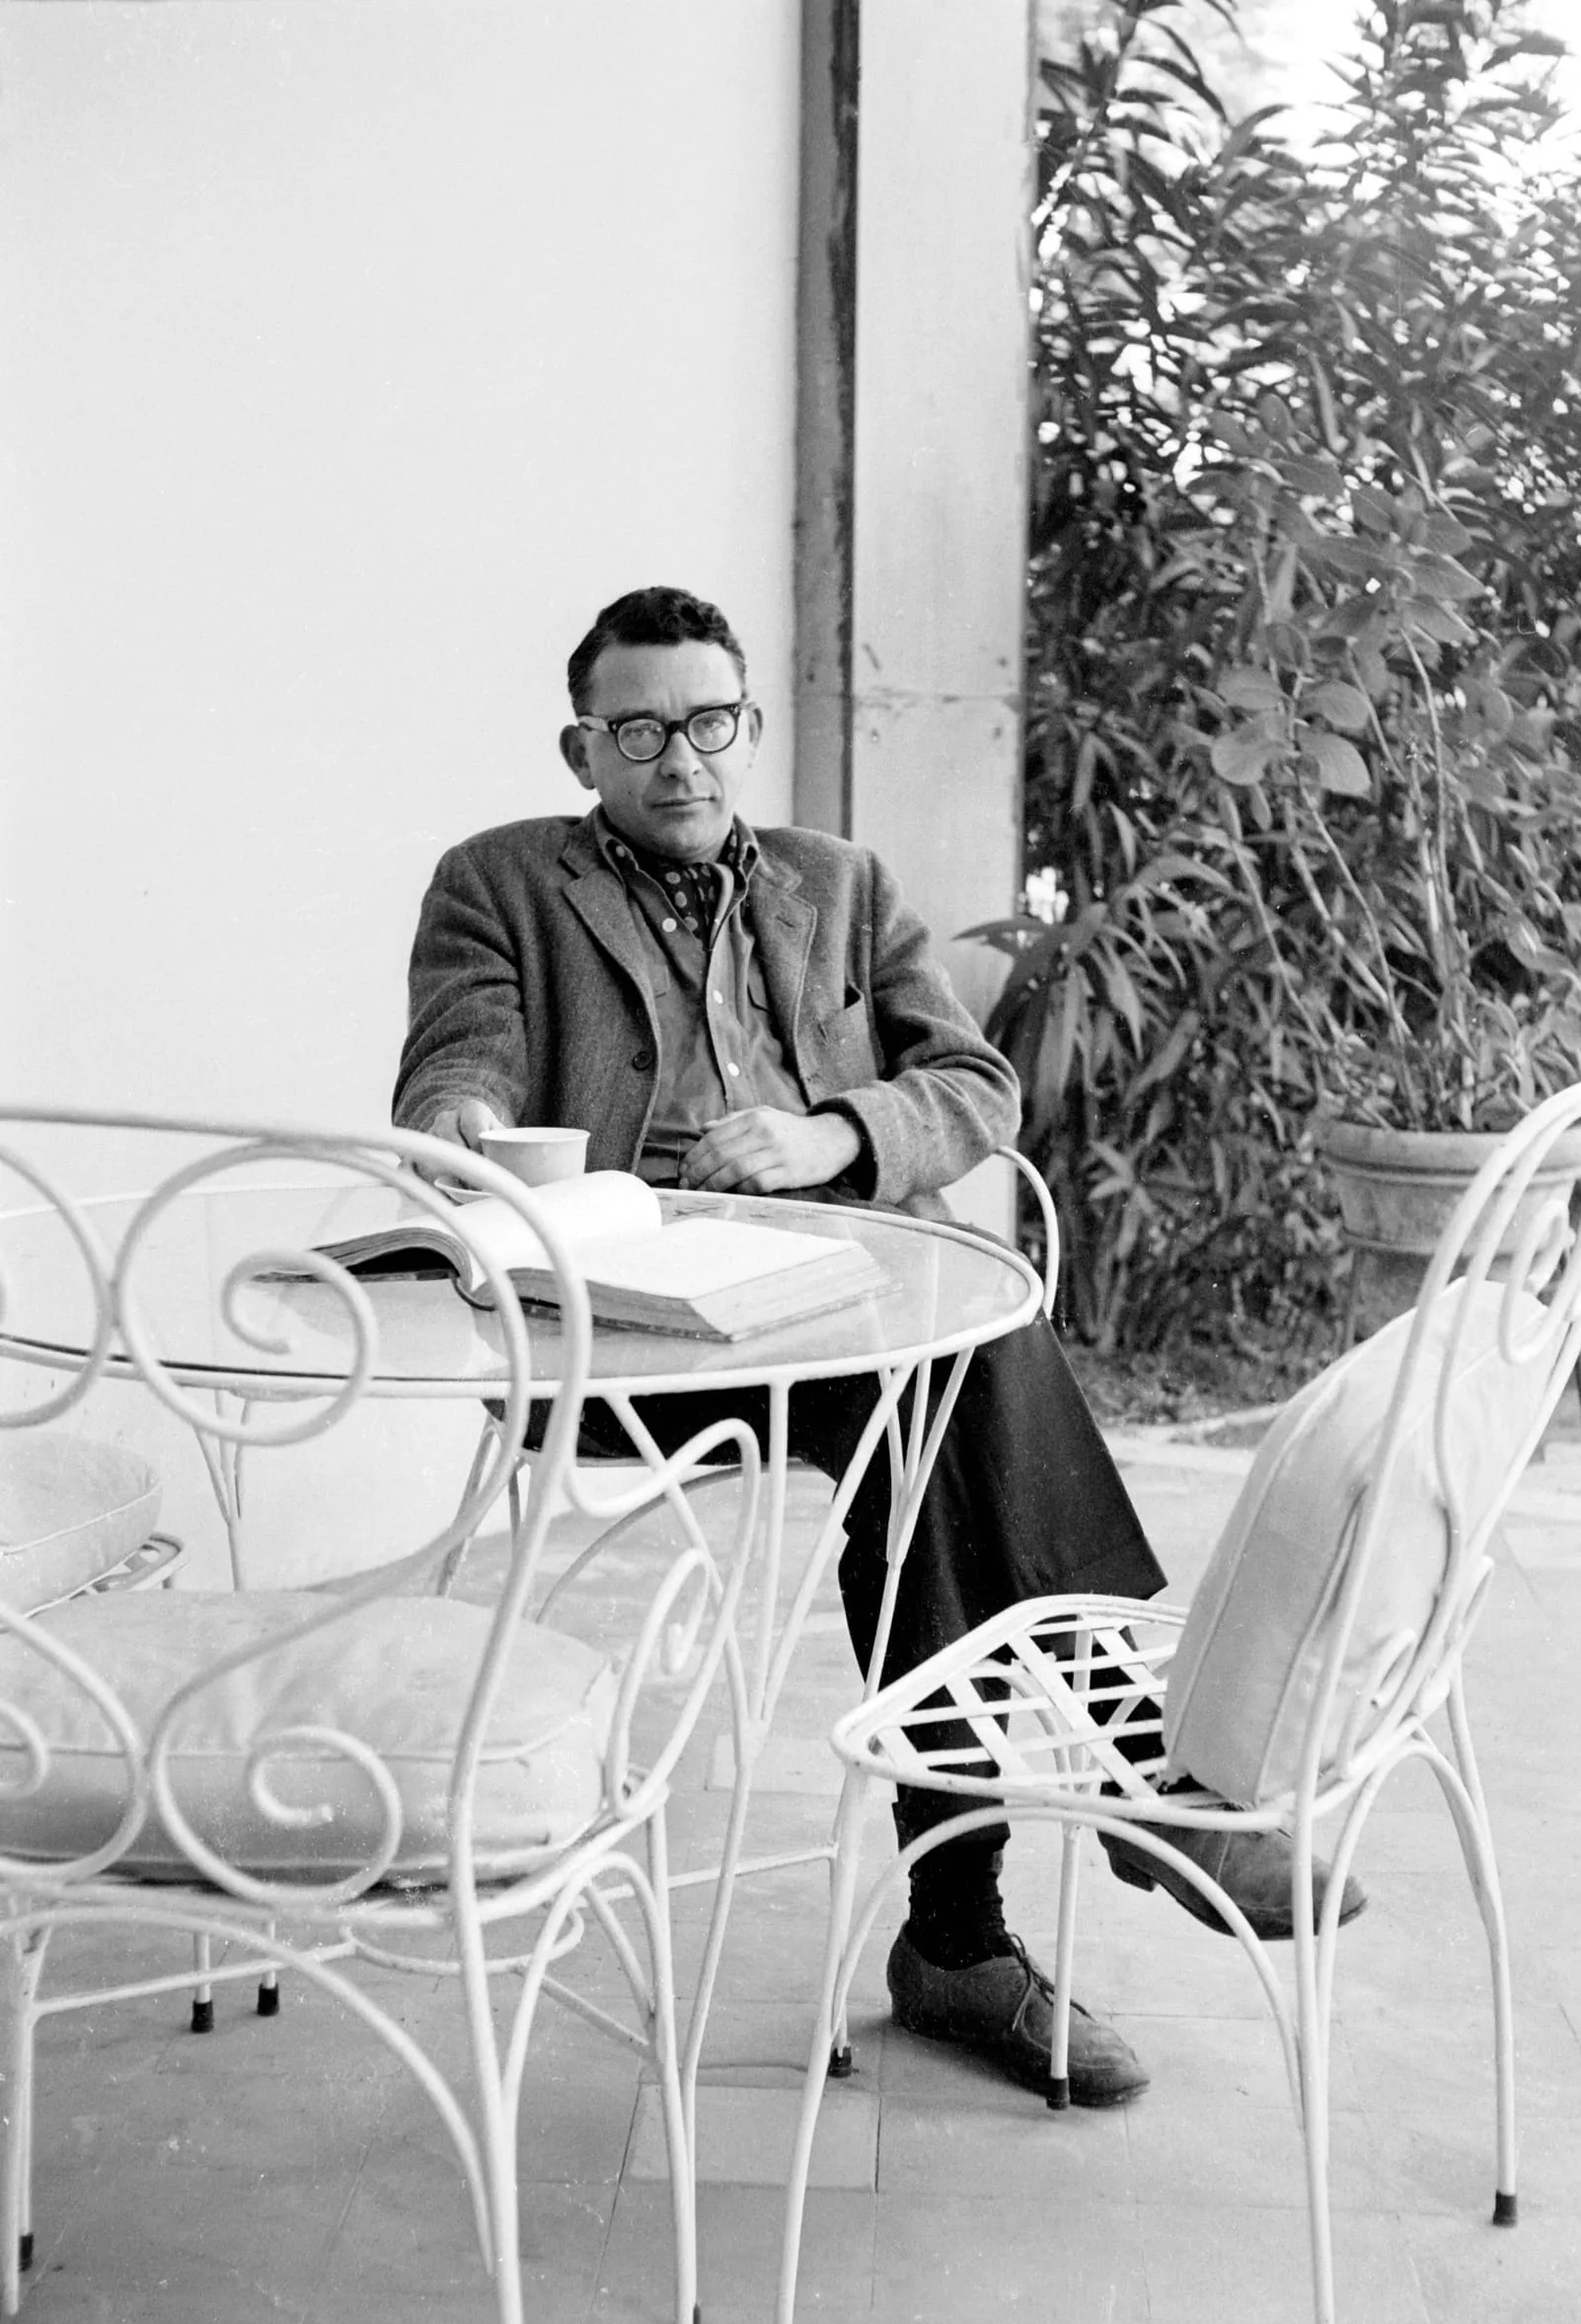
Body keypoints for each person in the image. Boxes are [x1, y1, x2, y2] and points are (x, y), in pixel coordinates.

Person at [394, 584, 1363, 2109]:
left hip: (836, 1303)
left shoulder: (837, 883)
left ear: (748, 729)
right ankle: (1124, 1796)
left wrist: (834, 1133)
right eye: (637, 731)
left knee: (947, 1391)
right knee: (960, 1383)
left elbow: (972, 1084)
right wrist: (462, 1120)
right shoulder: (500, 882)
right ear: (583, 750)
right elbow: (461, 1053)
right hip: (637, 1348)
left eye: (708, 722)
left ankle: (978, 1922)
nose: (679, 758)